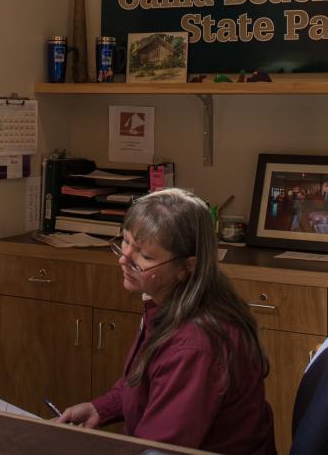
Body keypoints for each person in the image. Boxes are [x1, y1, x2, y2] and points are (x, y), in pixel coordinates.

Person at [56, 188, 276, 455]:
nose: (124, 259)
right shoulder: (177, 302)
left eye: (145, 256)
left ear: (187, 266)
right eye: (125, 242)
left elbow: (160, 450)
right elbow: (147, 380)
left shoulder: (195, 345)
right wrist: (100, 408)